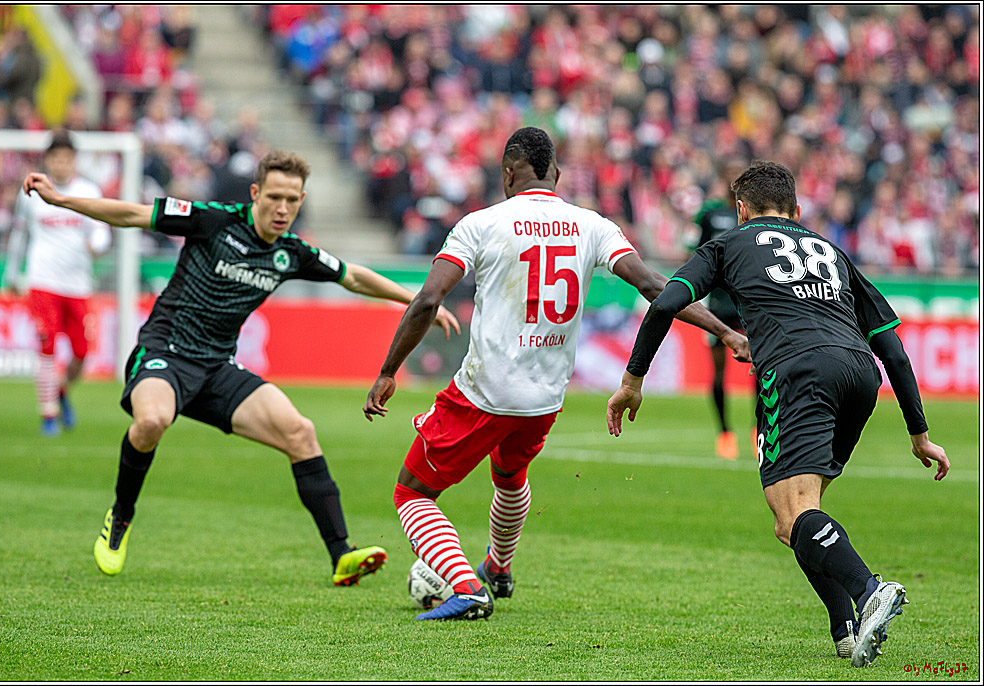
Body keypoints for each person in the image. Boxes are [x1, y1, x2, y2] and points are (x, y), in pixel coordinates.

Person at [21, 150, 461, 586]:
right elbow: (131, 214)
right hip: (164, 354)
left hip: (216, 368)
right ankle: (120, 518)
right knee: (152, 419)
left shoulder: (291, 252)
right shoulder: (212, 220)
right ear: (256, 193)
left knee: (300, 432)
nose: (282, 208)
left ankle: (341, 555)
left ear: (301, 199)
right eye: (274, 197)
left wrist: (421, 301)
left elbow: (354, 276)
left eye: (292, 199)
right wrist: (62, 201)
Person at [363, 127, 750, 621]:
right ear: (557, 176)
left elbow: (428, 299)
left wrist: (389, 371)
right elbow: (657, 285)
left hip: (485, 392)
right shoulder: (592, 225)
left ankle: (465, 587)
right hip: (545, 398)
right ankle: (498, 569)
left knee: (412, 492)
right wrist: (728, 333)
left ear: (507, 173)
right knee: (509, 476)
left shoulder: (480, 223)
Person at [607, 160, 949, 667]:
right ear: (797, 210)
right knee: (794, 520)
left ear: (740, 209)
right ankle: (845, 630)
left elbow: (664, 303)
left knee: (794, 513)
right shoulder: (831, 251)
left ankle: (870, 590)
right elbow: (893, 350)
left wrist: (632, 380)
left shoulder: (730, 242)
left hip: (797, 372)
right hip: (859, 374)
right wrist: (920, 435)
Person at [5, 130, 112, 436]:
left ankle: (61, 391)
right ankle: (48, 415)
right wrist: (13, 274)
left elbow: (102, 229)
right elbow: (19, 235)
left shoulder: (87, 191)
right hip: (42, 280)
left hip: (78, 284)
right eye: (57, 158)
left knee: (81, 353)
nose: (62, 164)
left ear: (74, 161)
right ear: (49, 160)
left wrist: (98, 244)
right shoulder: (33, 191)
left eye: (67, 158)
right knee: (47, 345)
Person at [691, 156, 753, 459]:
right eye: (728, 172)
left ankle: (760, 429)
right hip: (718, 303)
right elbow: (698, 255)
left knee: (761, 366)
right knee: (718, 371)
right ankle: (725, 432)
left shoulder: (755, 216)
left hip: (749, 302)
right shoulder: (711, 214)